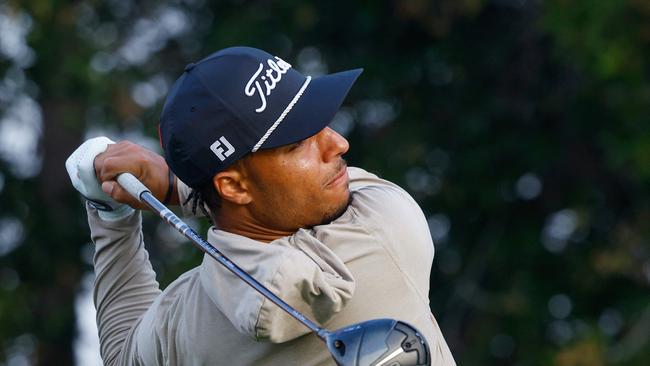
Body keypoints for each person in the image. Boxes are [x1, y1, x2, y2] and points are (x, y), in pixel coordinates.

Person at [66, 46, 456, 365]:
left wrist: (110, 214)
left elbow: (121, 353)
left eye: (320, 124)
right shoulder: (384, 227)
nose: (337, 144)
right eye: (298, 142)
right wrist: (172, 187)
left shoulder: (189, 329)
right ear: (234, 186)